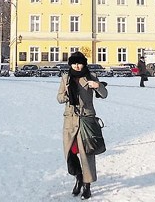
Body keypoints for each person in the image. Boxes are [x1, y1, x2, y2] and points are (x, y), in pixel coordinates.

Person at [57, 51, 108, 200]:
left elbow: (104, 94)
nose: (77, 66)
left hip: (86, 121)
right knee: (71, 153)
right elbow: (59, 98)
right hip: (70, 121)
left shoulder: (91, 77)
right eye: (74, 63)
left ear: (84, 64)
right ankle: (78, 179)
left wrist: (97, 85)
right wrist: (66, 94)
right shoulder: (66, 78)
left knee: (87, 154)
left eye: (79, 63)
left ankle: (87, 185)